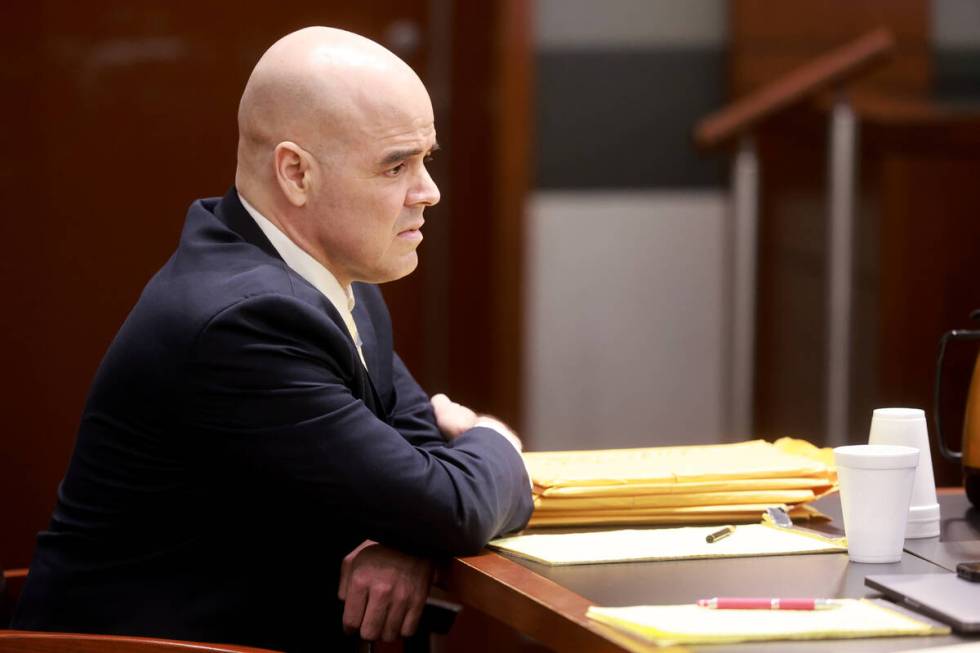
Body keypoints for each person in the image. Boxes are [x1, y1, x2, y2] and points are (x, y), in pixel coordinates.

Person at [13, 26, 532, 652]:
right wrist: (493, 441)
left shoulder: (332, 279)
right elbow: (449, 503)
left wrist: (410, 531)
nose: (429, 191)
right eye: (397, 165)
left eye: (427, 159)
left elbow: (419, 466)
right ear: (295, 174)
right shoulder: (242, 321)